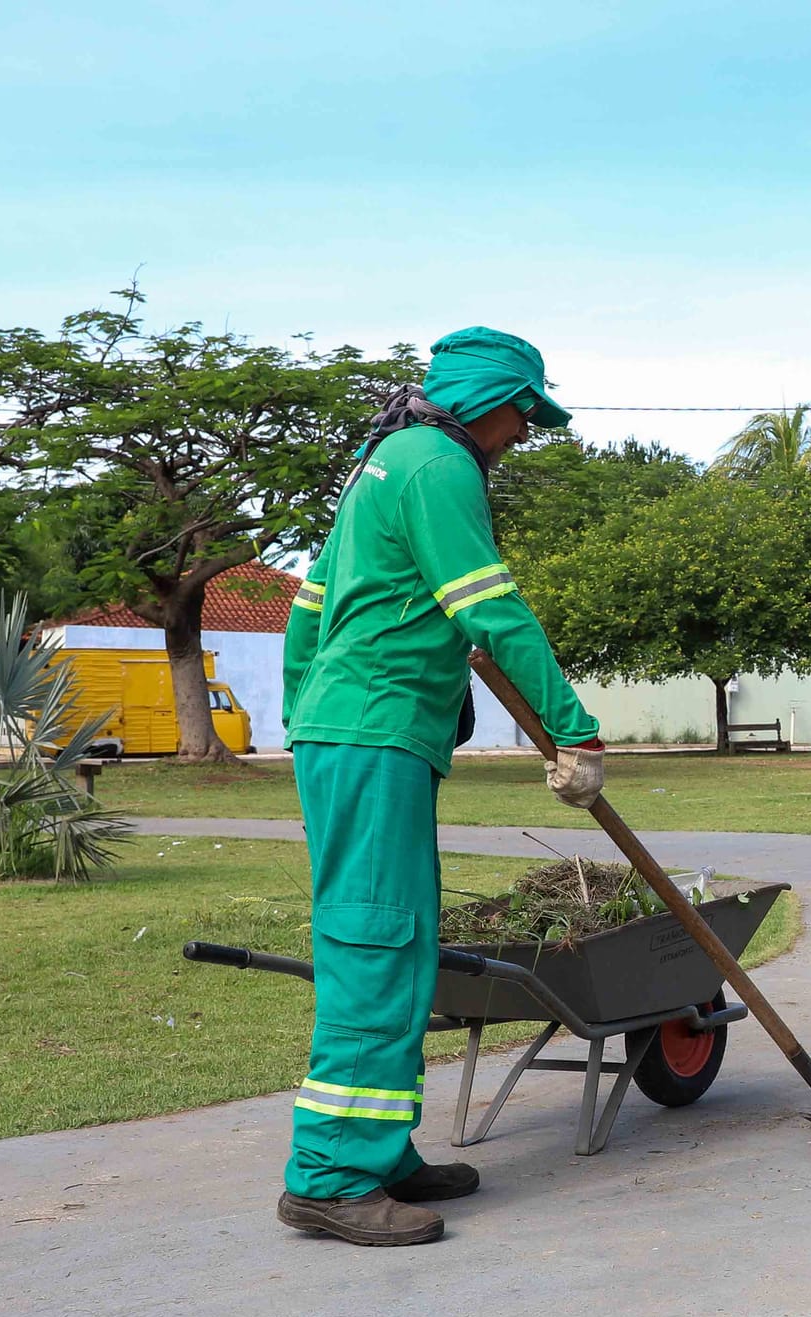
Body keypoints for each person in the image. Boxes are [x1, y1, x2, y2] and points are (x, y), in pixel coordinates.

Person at [275, 327, 605, 1245]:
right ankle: (332, 1175)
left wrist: (312, 716)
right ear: (487, 402)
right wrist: (574, 727)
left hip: (360, 732)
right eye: (523, 413)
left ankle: (381, 1150)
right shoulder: (438, 466)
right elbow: (489, 606)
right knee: (375, 943)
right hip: (370, 734)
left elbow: (311, 609)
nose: (526, 432)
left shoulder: (385, 460)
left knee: (402, 940)